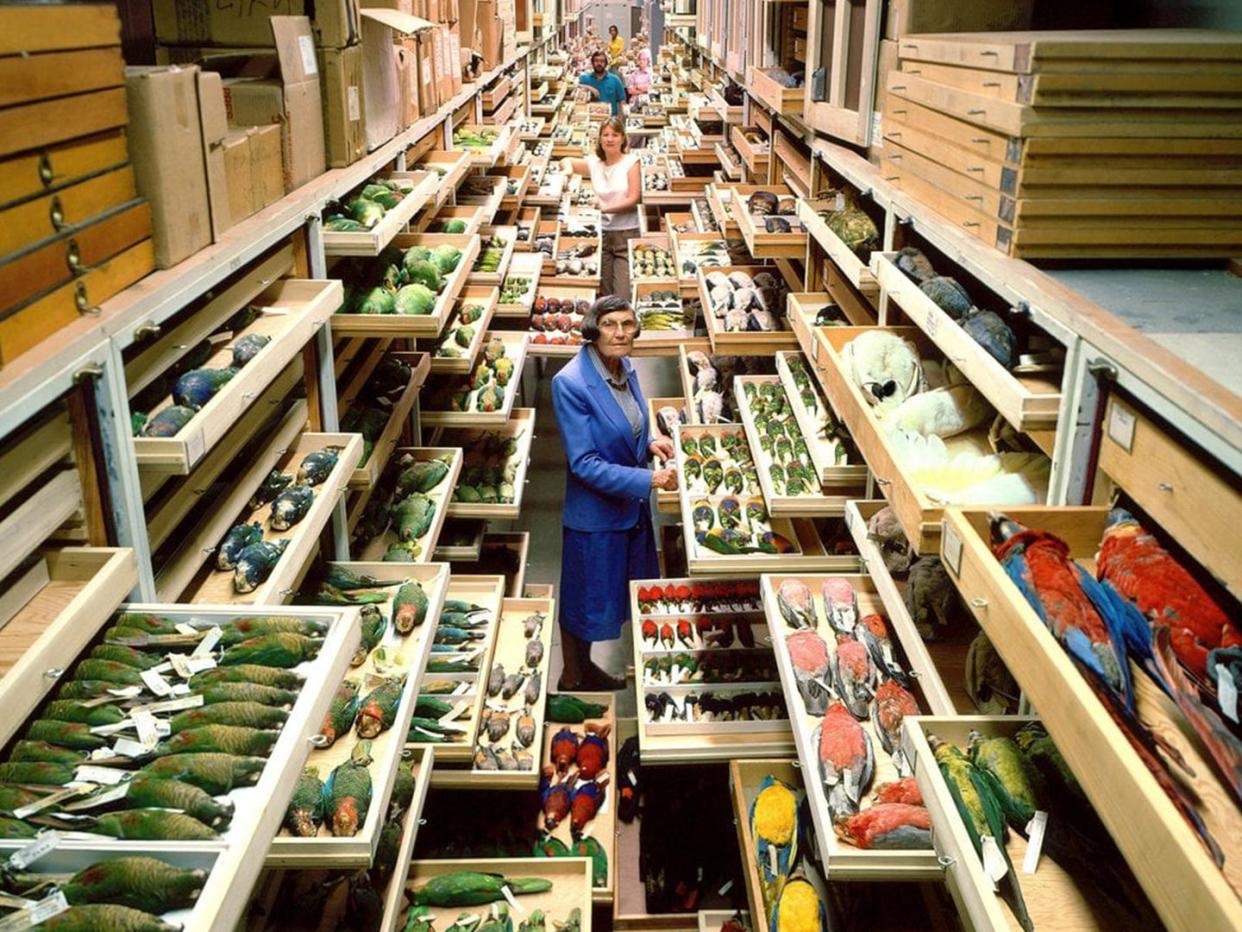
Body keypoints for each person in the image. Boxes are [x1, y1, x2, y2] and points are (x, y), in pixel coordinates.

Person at [551, 296, 678, 690]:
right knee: (584, 598)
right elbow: (584, 463)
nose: (620, 333)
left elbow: (628, 424)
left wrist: (649, 444)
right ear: (593, 330)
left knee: (618, 590)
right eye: (609, 325)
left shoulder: (625, 368)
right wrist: (649, 481)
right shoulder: (571, 383)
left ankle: (583, 671)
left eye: (627, 324)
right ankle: (573, 676)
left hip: (628, 508)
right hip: (596, 514)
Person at [561, 118, 641, 300]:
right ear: (599, 139)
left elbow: (634, 198)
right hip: (601, 236)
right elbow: (566, 161)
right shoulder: (594, 163)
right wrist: (567, 173)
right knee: (603, 295)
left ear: (623, 139)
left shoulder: (631, 162)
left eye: (615, 135)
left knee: (622, 296)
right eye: (605, 135)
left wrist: (604, 207)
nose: (610, 139)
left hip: (626, 234)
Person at [577, 49, 626, 116]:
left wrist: (620, 120)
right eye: (596, 61)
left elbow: (622, 101)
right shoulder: (585, 78)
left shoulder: (615, 80)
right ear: (592, 63)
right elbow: (573, 85)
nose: (599, 63)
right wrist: (589, 87)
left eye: (602, 61)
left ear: (606, 63)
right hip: (590, 118)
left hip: (611, 119)